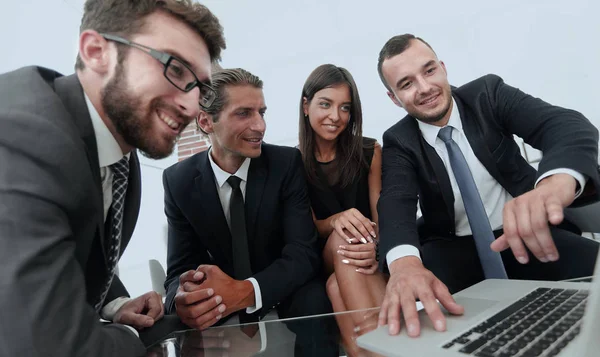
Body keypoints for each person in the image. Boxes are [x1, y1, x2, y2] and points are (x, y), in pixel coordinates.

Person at [0, 0, 225, 355]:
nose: (192, 105)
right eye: (175, 68)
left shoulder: (122, 156)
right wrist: (132, 339)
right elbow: (44, 342)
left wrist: (115, 304)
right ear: (96, 51)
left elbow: (71, 246)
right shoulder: (24, 136)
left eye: (201, 88)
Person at [375, 34, 600, 338]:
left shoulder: (487, 94)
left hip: (528, 234)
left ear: (442, 67)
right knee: (449, 331)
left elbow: (564, 126)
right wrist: (403, 264)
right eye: (406, 83)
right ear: (393, 97)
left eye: (429, 71)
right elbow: (394, 202)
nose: (425, 88)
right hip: (456, 250)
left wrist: (552, 185)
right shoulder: (398, 140)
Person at [162, 68, 337, 356]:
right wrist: (179, 298)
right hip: (220, 295)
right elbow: (178, 271)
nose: (260, 126)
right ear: (206, 121)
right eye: (244, 113)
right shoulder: (178, 181)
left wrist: (245, 292)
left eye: (262, 112)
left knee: (315, 301)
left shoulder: (285, 163)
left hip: (284, 285)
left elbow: (302, 253)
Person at [298, 64, 387, 355]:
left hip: (365, 252)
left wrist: (376, 247)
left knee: (337, 287)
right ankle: (389, 343)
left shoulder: (370, 151)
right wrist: (338, 219)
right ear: (306, 105)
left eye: (345, 108)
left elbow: (381, 215)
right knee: (344, 236)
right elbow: (309, 227)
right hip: (323, 254)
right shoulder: (293, 162)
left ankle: (369, 350)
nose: (336, 117)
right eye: (326, 104)